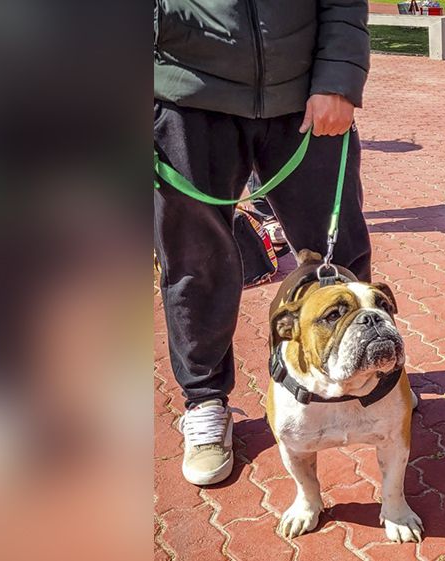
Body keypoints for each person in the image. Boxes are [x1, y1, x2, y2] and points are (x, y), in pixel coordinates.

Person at [154, 0, 372, 486]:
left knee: (339, 252)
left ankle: (362, 368)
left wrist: (338, 77)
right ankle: (206, 398)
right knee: (196, 264)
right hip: (187, 95)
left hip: (305, 97)